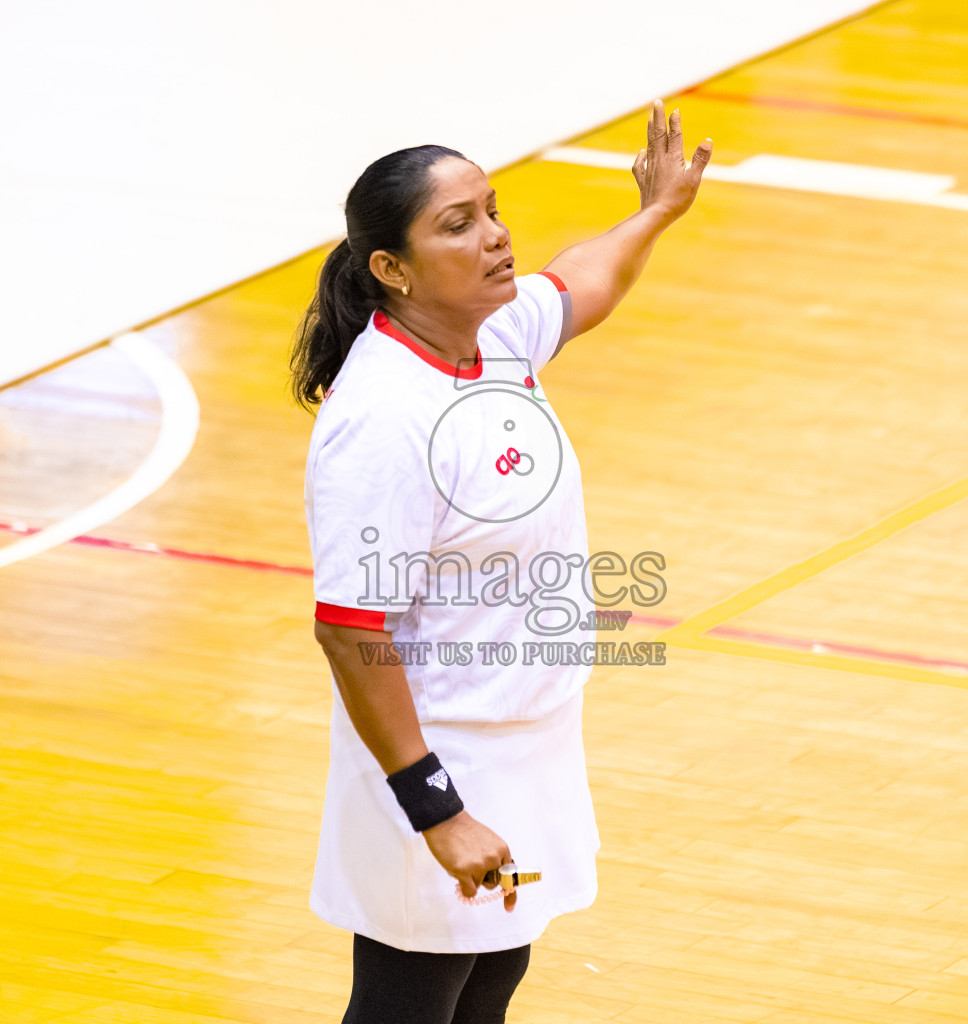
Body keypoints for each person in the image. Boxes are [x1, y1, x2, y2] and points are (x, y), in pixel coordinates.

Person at [292, 101, 710, 1023]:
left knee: (492, 981)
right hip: (443, 751)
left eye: (492, 209)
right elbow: (350, 629)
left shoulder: (493, 331)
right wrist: (435, 808)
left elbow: (581, 283)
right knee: (411, 1001)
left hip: (528, 736)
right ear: (391, 270)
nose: (495, 236)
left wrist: (654, 213)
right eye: (459, 224)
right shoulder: (383, 418)